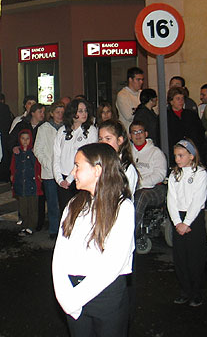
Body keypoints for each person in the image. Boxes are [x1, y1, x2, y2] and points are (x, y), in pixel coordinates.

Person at [52, 143, 134, 336]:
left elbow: (112, 264)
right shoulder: (74, 204)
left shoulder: (123, 208)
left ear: (97, 170)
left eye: (77, 166)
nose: (73, 172)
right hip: (71, 295)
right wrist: (64, 297)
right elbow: (60, 254)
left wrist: (74, 300)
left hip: (105, 297)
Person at [167, 139, 207, 307]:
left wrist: (187, 222)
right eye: (176, 155)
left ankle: (196, 291)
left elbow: (198, 200)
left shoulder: (200, 174)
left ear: (191, 156)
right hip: (179, 219)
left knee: (195, 257)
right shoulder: (174, 175)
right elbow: (171, 199)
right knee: (181, 258)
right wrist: (177, 221)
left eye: (181, 155)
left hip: (194, 218)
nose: (177, 159)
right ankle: (184, 290)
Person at [53, 98, 98, 215]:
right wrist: (59, 179)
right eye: (81, 111)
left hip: (81, 177)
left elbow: (87, 158)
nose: (85, 114)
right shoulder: (62, 131)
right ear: (73, 113)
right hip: (63, 179)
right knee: (65, 213)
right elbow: (56, 156)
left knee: (82, 212)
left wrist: (70, 179)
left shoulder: (90, 131)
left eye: (86, 111)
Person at [129, 121, 167, 233]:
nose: (138, 135)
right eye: (134, 132)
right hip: (131, 187)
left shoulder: (156, 152)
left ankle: (132, 234)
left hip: (153, 188)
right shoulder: (127, 153)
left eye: (140, 132)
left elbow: (160, 174)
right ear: (130, 136)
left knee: (140, 196)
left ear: (146, 134)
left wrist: (140, 184)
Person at [34, 101, 65, 239]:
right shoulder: (44, 128)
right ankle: (54, 228)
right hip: (49, 172)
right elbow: (38, 149)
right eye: (57, 112)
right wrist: (48, 164)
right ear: (51, 113)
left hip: (64, 171)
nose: (60, 115)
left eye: (62, 113)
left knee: (64, 202)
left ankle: (65, 228)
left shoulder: (67, 128)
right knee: (52, 202)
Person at [10, 129, 42, 236]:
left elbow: (38, 165)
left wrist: (39, 176)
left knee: (32, 206)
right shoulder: (17, 152)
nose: (25, 141)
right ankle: (24, 224)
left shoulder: (34, 151)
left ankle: (31, 226)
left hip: (32, 183)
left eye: (27, 139)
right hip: (21, 183)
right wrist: (13, 175)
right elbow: (13, 166)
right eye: (23, 139)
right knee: (23, 206)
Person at [98, 120, 139, 197]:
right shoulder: (99, 164)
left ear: (119, 140)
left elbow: (125, 196)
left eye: (108, 139)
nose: (103, 143)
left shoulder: (127, 168)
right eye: (100, 139)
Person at [166, 87, 207, 165]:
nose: (181, 101)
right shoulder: (165, 117)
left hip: (192, 152)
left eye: (182, 99)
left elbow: (199, 133)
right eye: (178, 99)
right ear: (171, 101)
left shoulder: (191, 114)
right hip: (174, 154)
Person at [116, 67, 144, 131]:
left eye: (142, 79)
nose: (141, 82)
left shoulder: (142, 93)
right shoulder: (122, 95)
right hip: (128, 132)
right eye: (138, 79)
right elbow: (129, 116)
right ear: (130, 80)